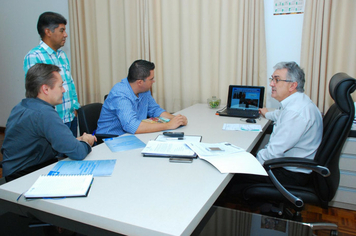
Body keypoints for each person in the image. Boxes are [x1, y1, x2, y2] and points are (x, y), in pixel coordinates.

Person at [225, 61, 322, 199]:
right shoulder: (298, 102)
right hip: (292, 167)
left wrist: (247, 165)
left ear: (292, 85)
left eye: (276, 80)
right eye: (272, 79)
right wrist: (266, 113)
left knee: (230, 177)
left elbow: (273, 153)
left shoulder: (295, 113)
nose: (271, 84)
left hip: (290, 174)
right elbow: (280, 114)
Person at [1, 64, 96, 182]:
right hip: (26, 177)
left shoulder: (21, 106)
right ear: (45, 89)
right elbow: (78, 152)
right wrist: (87, 141)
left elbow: (44, 143)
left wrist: (74, 142)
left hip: (12, 174)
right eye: (60, 86)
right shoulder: (44, 113)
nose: (64, 90)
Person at [23, 12, 80, 137]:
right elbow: (35, 94)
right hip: (52, 121)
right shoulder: (34, 56)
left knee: (74, 155)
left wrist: (75, 107)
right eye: (61, 30)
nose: (65, 35)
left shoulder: (62, 55)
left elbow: (70, 83)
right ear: (48, 32)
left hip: (70, 118)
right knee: (56, 157)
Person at [97, 59, 188, 136]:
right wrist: (168, 125)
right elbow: (132, 126)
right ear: (140, 82)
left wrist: (175, 119)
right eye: (151, 79)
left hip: (132, 136)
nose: (153, 81)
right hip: (111, 139)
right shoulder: (120, 95)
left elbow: (155, 110)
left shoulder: (144, 90)